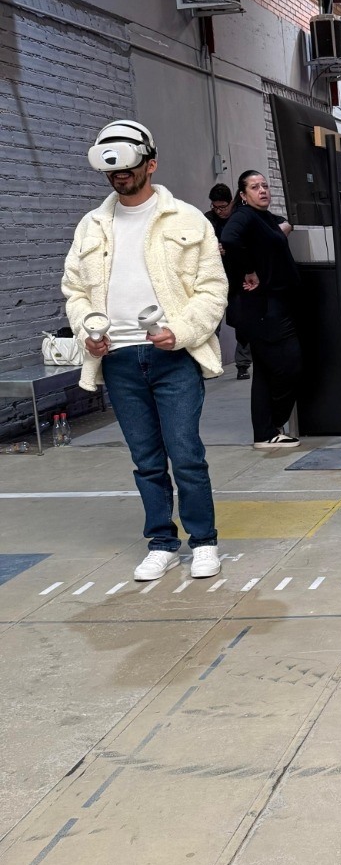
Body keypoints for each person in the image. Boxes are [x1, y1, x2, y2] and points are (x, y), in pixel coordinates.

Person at [62, 120, 228, 581]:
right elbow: (75, 290)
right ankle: (162, 543)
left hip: (173, 358)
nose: (120, 176)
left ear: (150, 165)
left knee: (186, 454)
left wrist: (182, 331)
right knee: (146, 460)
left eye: (128, 167)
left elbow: (213, 289)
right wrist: (86, 330)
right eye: (112, 170)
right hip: (117, 359)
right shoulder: (92, 225)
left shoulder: (187, 219)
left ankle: (204, 542)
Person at [221, 169, 303, 450]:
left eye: (265, 185)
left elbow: (282, 225)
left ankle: (266, 433)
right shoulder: (244, 216)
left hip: (271, 305)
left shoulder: (263, 217)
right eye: (255, 187)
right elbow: (229, 239)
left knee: (266, 372)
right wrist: (248, 269)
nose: (263, 190)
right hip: (262, 308)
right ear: (243, 195)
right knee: (290, 366)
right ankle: (274, 422)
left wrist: (283, 228)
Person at [204, 182, 252, 381]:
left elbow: (249, 244)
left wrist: (231, 249)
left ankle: (243, 364)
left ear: (231, 202)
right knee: (212, 322)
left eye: (223, 207)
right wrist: (213, 249)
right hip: (214, 277)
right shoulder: (207, 220)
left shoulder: (240, 218)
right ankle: (211, 364)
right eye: (215, 207)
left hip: (238, 276)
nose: (219, 211)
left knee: (242, 322)